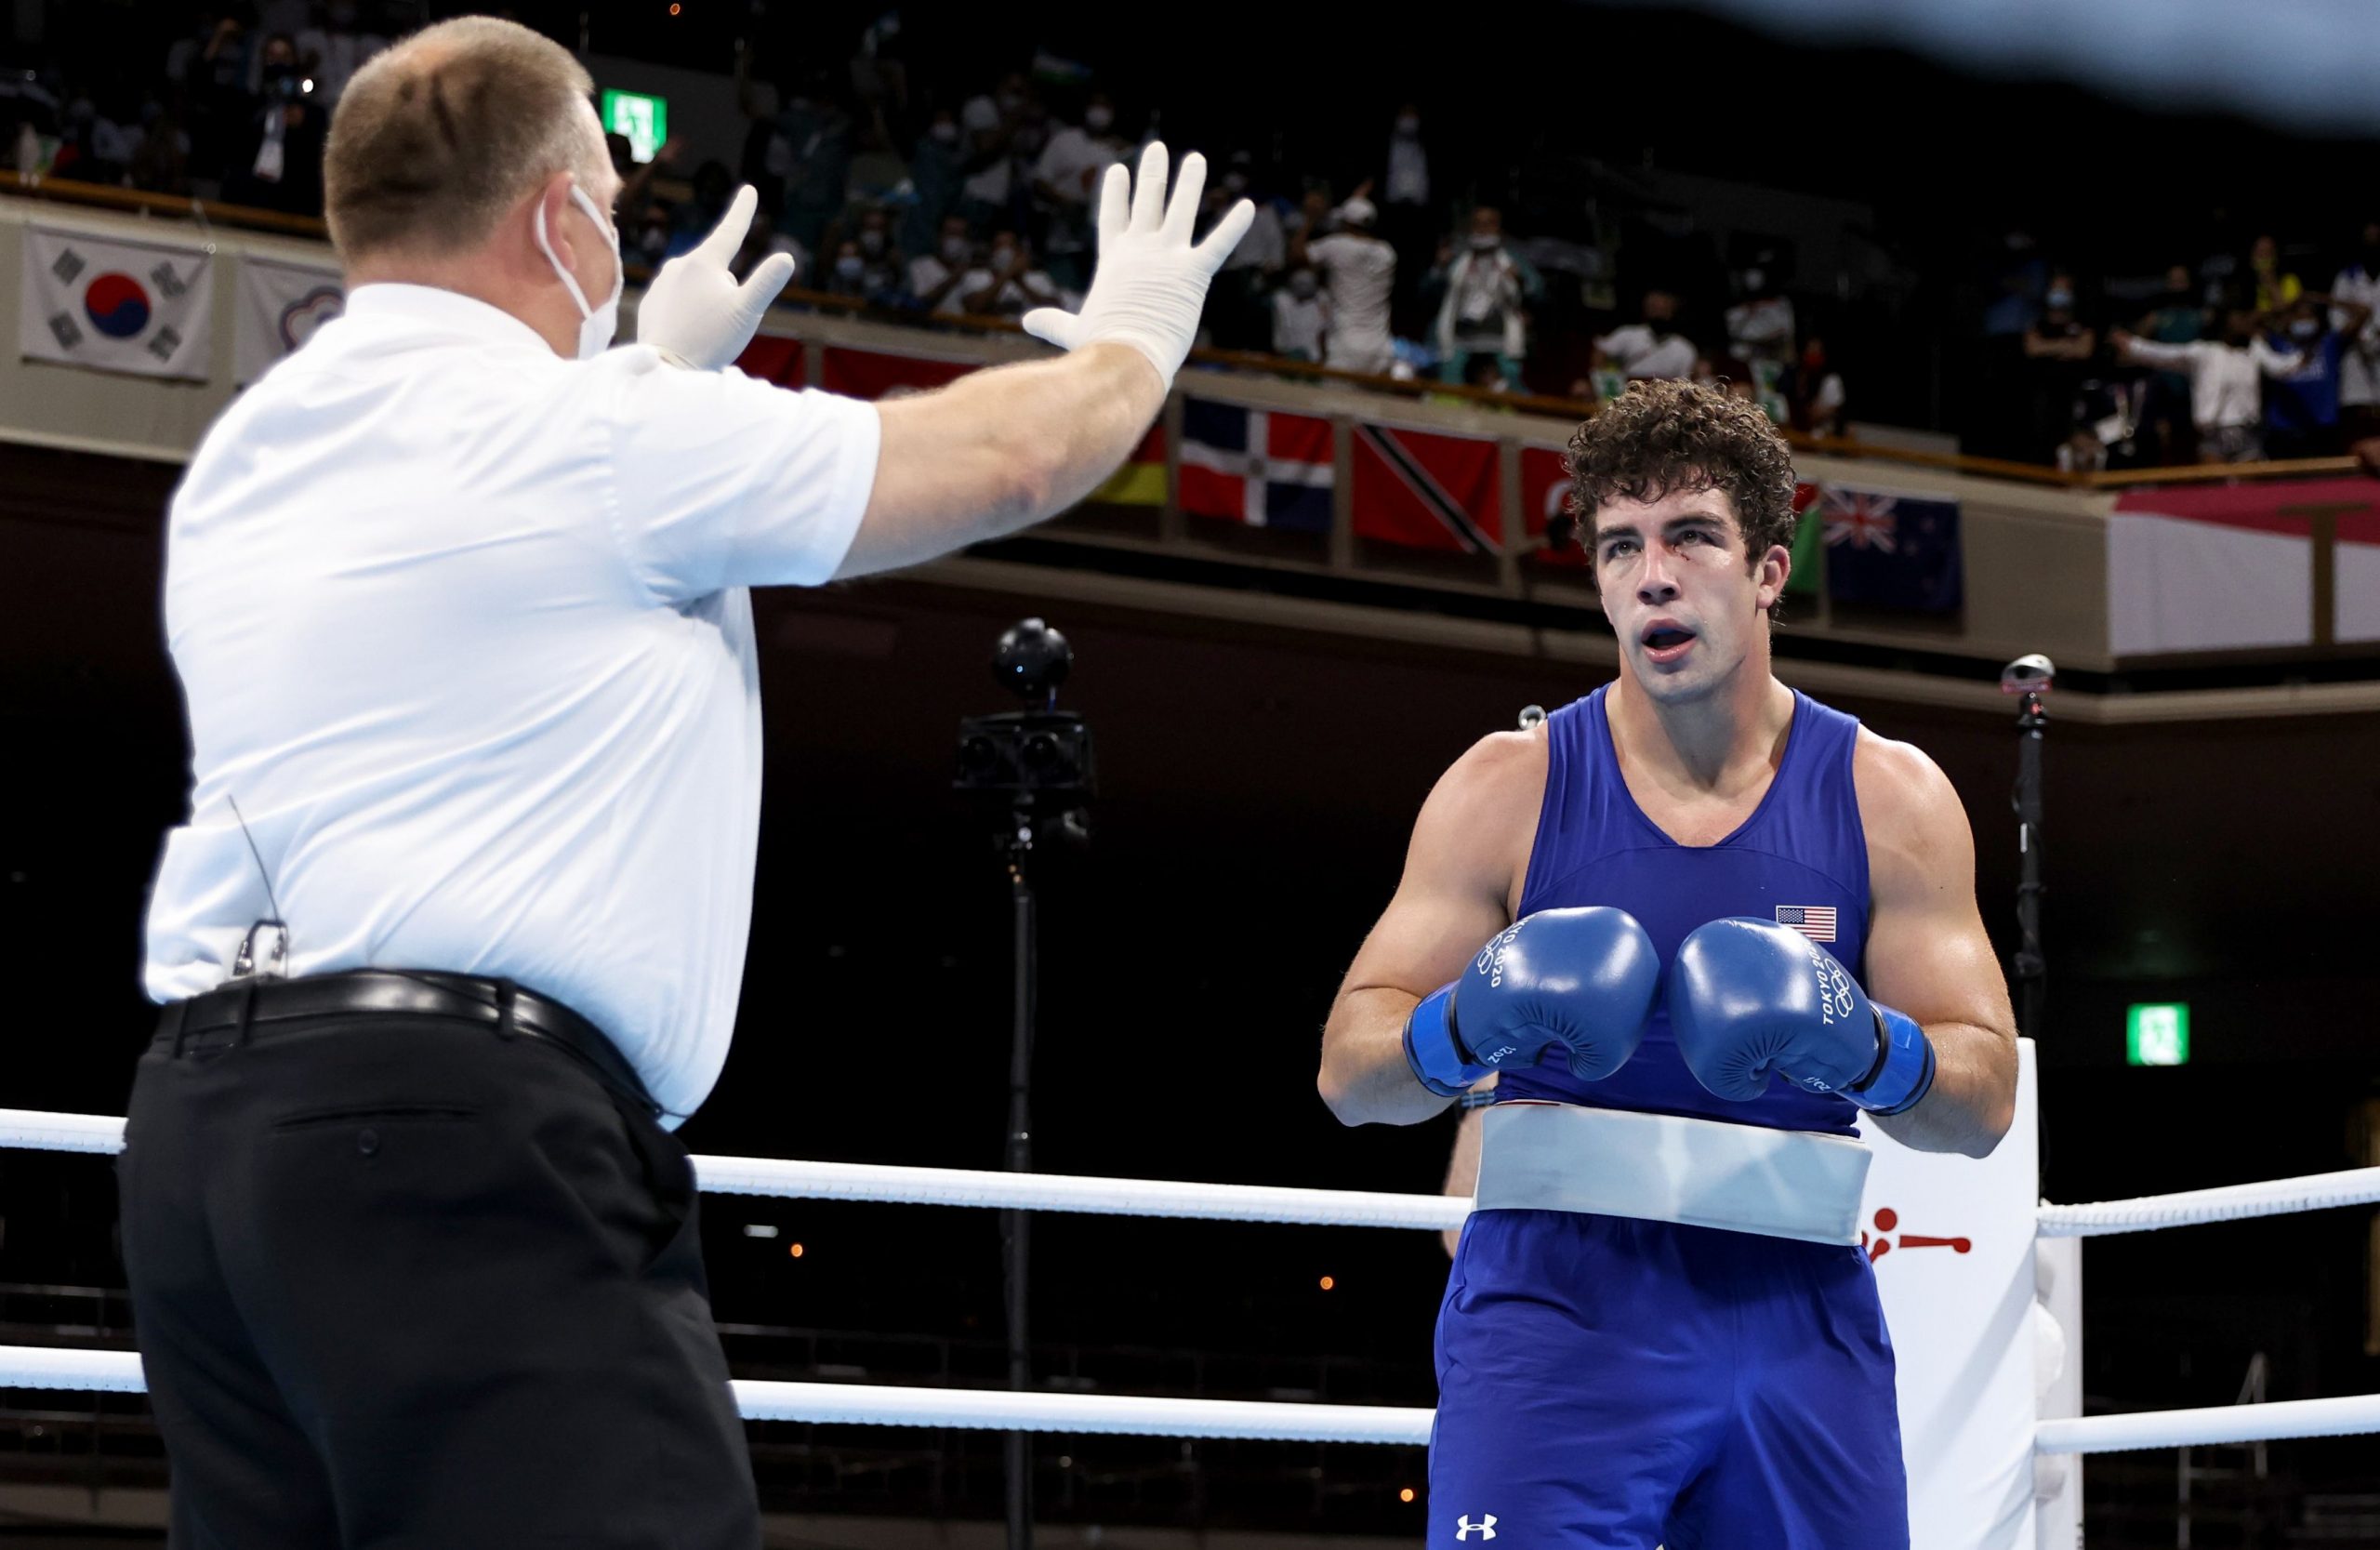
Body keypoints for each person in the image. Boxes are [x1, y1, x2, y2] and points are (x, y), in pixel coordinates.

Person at [127, 18, 1252, 1548]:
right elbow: (1010, 460)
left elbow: (484, 582)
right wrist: (1134, 339)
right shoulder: (602, 437)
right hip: (459, 1137)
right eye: (608, 198)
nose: (617, 231)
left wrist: (648, 363)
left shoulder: (252, 454)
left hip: (205, 1137)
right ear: (554, 217)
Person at [1317, 377, 2017, 1548]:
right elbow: (1350, 1073)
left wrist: (1866, 1045)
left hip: (1797, 1314)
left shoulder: (1887, 797)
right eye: (1619, 545)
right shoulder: (1507, 788)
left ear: (1768, 569)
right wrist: (1466, 1019)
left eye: (1691, 535)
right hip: (1556, 1307)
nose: (1652, 574)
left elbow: (1983, 1101)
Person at [2111, 309, 2303, 463]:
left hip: (2246, 433)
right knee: (2215, 491)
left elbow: (2281, 367)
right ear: (2226, 322)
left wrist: (2305, 353)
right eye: (2240, 317)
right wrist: (2133, 345)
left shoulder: (2255, 350)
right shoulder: (2204, 353)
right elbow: (2166, 355)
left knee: (2248, 493)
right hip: (2213, 435)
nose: (2245, 323)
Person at [1428, 205, 1542, 389]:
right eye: (1478, 224)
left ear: (1500, 229)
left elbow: (1538, 292)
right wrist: (1439, 267)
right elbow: (1428, 293)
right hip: (1461, 334)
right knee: (1450, 373)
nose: (1483, 229)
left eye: (1489, 223)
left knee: (1511, 374)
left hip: (1500, 334)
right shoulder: (1458, 261)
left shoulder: (1512, 260)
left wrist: (1520, 281)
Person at [1291, 191, 1397, 376]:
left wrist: (1310, 219)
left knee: (1333, 395)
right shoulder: (1387, 253)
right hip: (1380, 348)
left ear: (1347, 223)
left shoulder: (1337, 246)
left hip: (1345, 346)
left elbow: (1296, 255)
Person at [1592, 289, 1695, 384]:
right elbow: (1600, 354)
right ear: (1646, 310)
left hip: (1664, 394)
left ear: (1673, 311)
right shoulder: (1627, 334)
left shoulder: (1685, 348)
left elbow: (1684, 383)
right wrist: (1602, 382)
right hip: (1626, 390)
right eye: (1654, 308)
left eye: (1664, 309)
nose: (1659, 314)